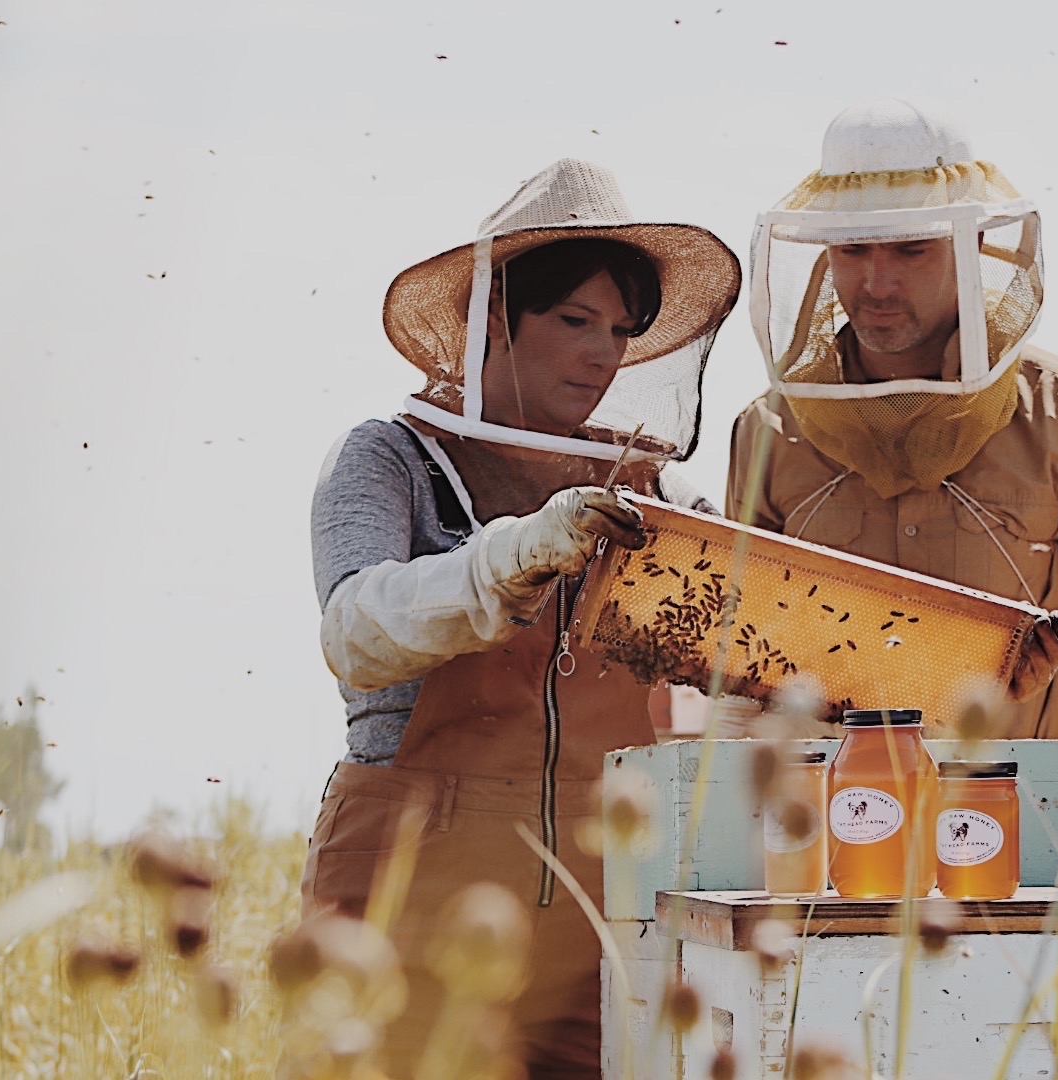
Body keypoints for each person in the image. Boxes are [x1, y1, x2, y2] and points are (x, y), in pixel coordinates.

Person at [299, 158, 740, 1077]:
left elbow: (753, 633)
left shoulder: (654, 492)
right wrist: (514, 555)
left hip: (599, 881)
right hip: (409, 863)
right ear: (492, 320)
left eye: (621, 330)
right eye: (573, 321)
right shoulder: (389, 460)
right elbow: (355, 629)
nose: (602, 353)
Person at [724, 98, 1058, 740]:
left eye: (910, 251)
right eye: (853, 251)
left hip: (1020, 813)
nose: (877, 283)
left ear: (973, 245)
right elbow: (734, 674)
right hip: (817, 823)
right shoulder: (768, 432)